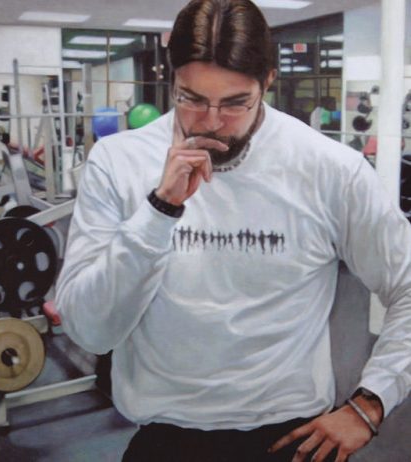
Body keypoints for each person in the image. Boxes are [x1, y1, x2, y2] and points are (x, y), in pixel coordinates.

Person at [55, 0, 411, 460]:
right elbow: (90, 331)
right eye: (192, 98)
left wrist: (371, 403)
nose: (211, 122)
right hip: (165, 438)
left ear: (267, 82)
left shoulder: (330, 169)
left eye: (235, 103)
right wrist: (159, 210)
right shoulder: (119, 162)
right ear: (172, 80)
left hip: (290, 438)